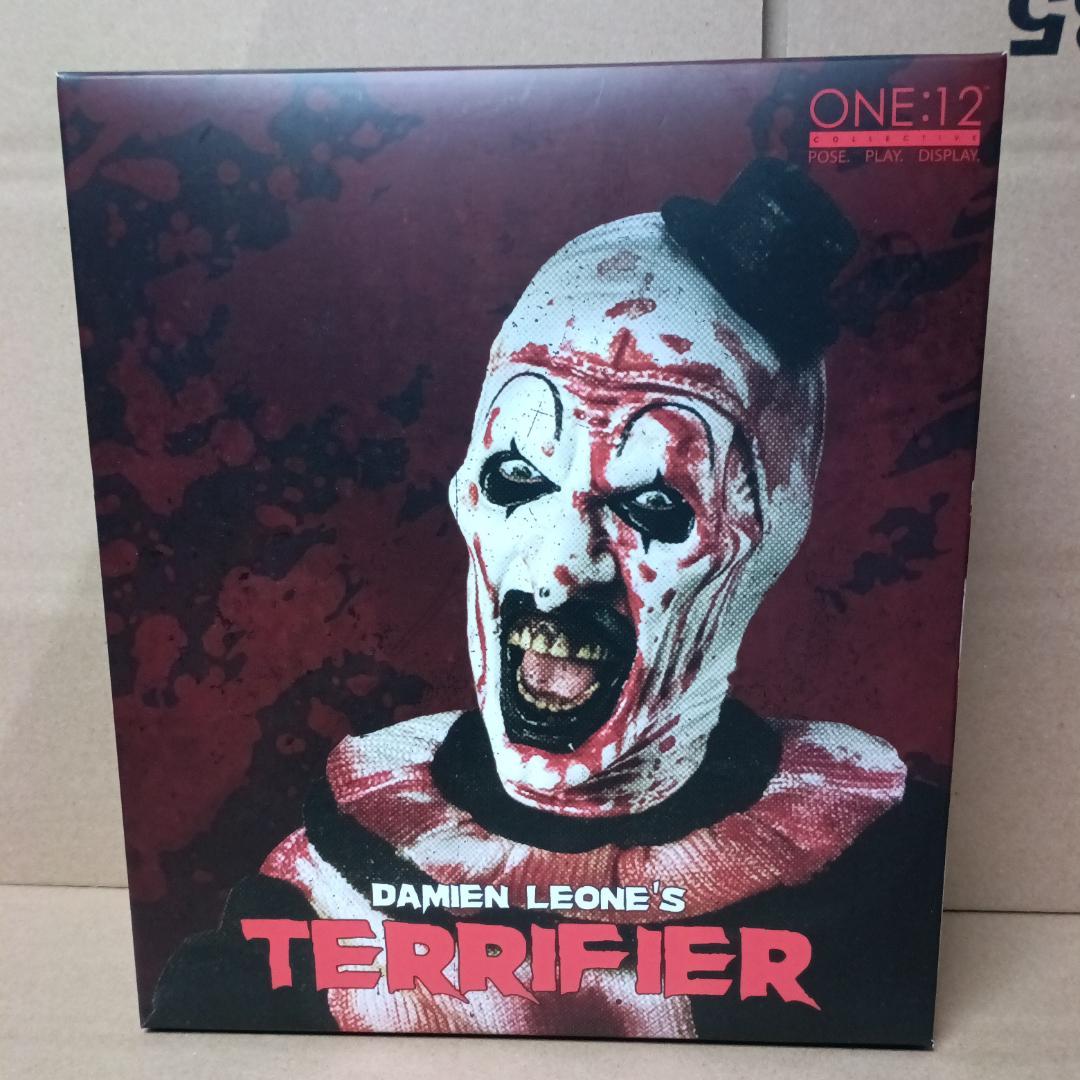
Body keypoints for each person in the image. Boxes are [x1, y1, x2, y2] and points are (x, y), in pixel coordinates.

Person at [150, 158, 947, 1045]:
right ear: (466, 496)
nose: (560, 569)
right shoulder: (319, 897)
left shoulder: (887, 880)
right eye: (519, 479)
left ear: (758, 546)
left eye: (653, 506)